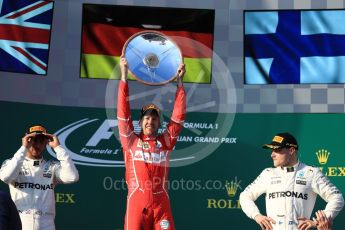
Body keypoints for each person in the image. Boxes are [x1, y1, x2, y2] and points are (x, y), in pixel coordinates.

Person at [117, 57, 186, 230]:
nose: (150, 121)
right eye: (147, 118)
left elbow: (178, 117)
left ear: (159, 123)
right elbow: (123, 113)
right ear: (140, 122)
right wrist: (124, 77)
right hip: (136, 203)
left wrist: (180, 83)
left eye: (154, 119)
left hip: (161, 204)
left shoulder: (166, 141)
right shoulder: (130, 141)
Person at [239, 132, 344, 230]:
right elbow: (245, 196)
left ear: (291, 150)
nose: (272, 155)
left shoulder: (311, 173)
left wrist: (316, 221)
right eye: (272, 150)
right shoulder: (268, 173)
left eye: (277, 150)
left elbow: (337, 198)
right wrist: (257, 216)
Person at [0, 125, 79, 230]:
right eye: (33, 140)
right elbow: (5, 177)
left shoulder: (52, 167)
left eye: (41, 141)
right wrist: (24, 148)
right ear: (26, 140)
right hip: (20, 222)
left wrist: (58, 148)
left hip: (47, 224)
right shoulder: (13, 163)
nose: (37, 144)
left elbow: (72, 177)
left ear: (46, 142)